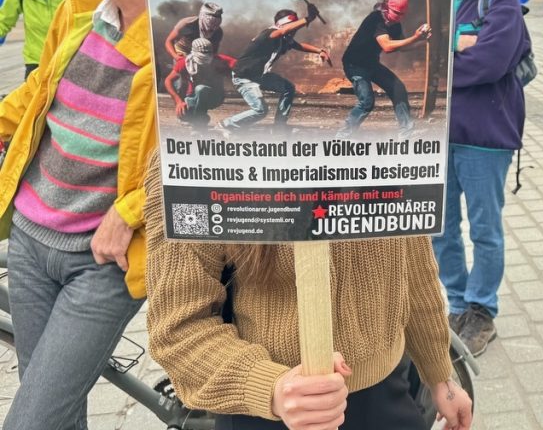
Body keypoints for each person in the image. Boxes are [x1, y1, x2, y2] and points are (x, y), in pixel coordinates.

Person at [144, 157, 473, 430]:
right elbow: (178, 327)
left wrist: (439, 376)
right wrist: (271, 387)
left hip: (389, 394)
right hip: (268, 411)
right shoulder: (190, 153)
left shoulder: (390, 131)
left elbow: (413, 267)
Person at [0, 0, 156, 430]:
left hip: (103, 261)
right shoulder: (85, 11)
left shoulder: (177, 43)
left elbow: (200, 153)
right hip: (28, 240)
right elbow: (37, 92)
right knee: (57, 415)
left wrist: (131, 210)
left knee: (32, 420)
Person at [431, 0, 530, 357]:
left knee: (485, 230)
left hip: (485, 137)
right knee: (442, 229)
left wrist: (444, 51)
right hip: (438, 137)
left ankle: (482, 311)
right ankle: (456, 305)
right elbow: (419, 53)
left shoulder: (501, 1)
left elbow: (489, 64)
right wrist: (459, 44)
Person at [220, 4, 330, 134]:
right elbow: (283, 31)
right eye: (292, 27)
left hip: (259, 76)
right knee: (260, 111)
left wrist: (320, 51)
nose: (293, 32)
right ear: (282, 25)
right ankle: (226, 124)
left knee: (288, 88)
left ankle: (279, 127)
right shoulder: (269, 34)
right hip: (244, 77)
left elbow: (299, 45)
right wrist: (309, 18)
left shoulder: (284, 39)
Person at [338, 0, 430, 139]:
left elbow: (401, 46)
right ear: (387, 7)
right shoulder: (375, 19)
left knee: (398, 89)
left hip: (371, 63)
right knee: (367, 102)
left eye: (402, 14)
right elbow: (387, 46)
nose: (399, 17)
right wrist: (415, 37)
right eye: (396, 13)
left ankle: (406, 134)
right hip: (354, 65)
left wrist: (423, 43)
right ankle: (343, 136)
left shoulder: (395, 25)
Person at [164, 37, 236, 127]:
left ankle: (198, 122)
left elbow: (240, 67)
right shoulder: (185, 63)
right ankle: (201, 117)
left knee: (201, 89)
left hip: (215, 96)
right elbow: (168, 81)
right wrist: (178, 101)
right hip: (192, 96)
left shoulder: (220, 60)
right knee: (183, 115)